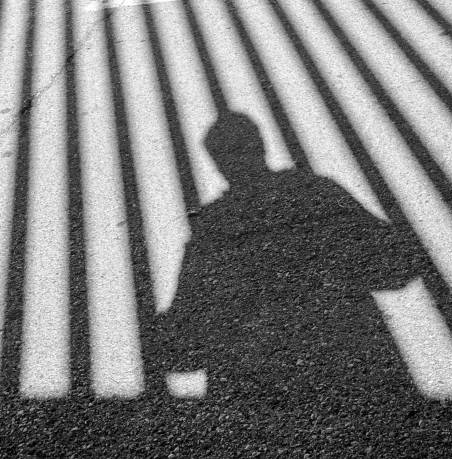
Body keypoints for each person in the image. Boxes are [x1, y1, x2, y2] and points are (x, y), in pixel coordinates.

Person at [157, 111, 420, 449]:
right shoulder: (318, 192)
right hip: (351, 371)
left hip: (252, 393)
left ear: (218, 163)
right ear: (261, 147)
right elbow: (397, 267)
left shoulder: (212, 225)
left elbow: (184, 340)